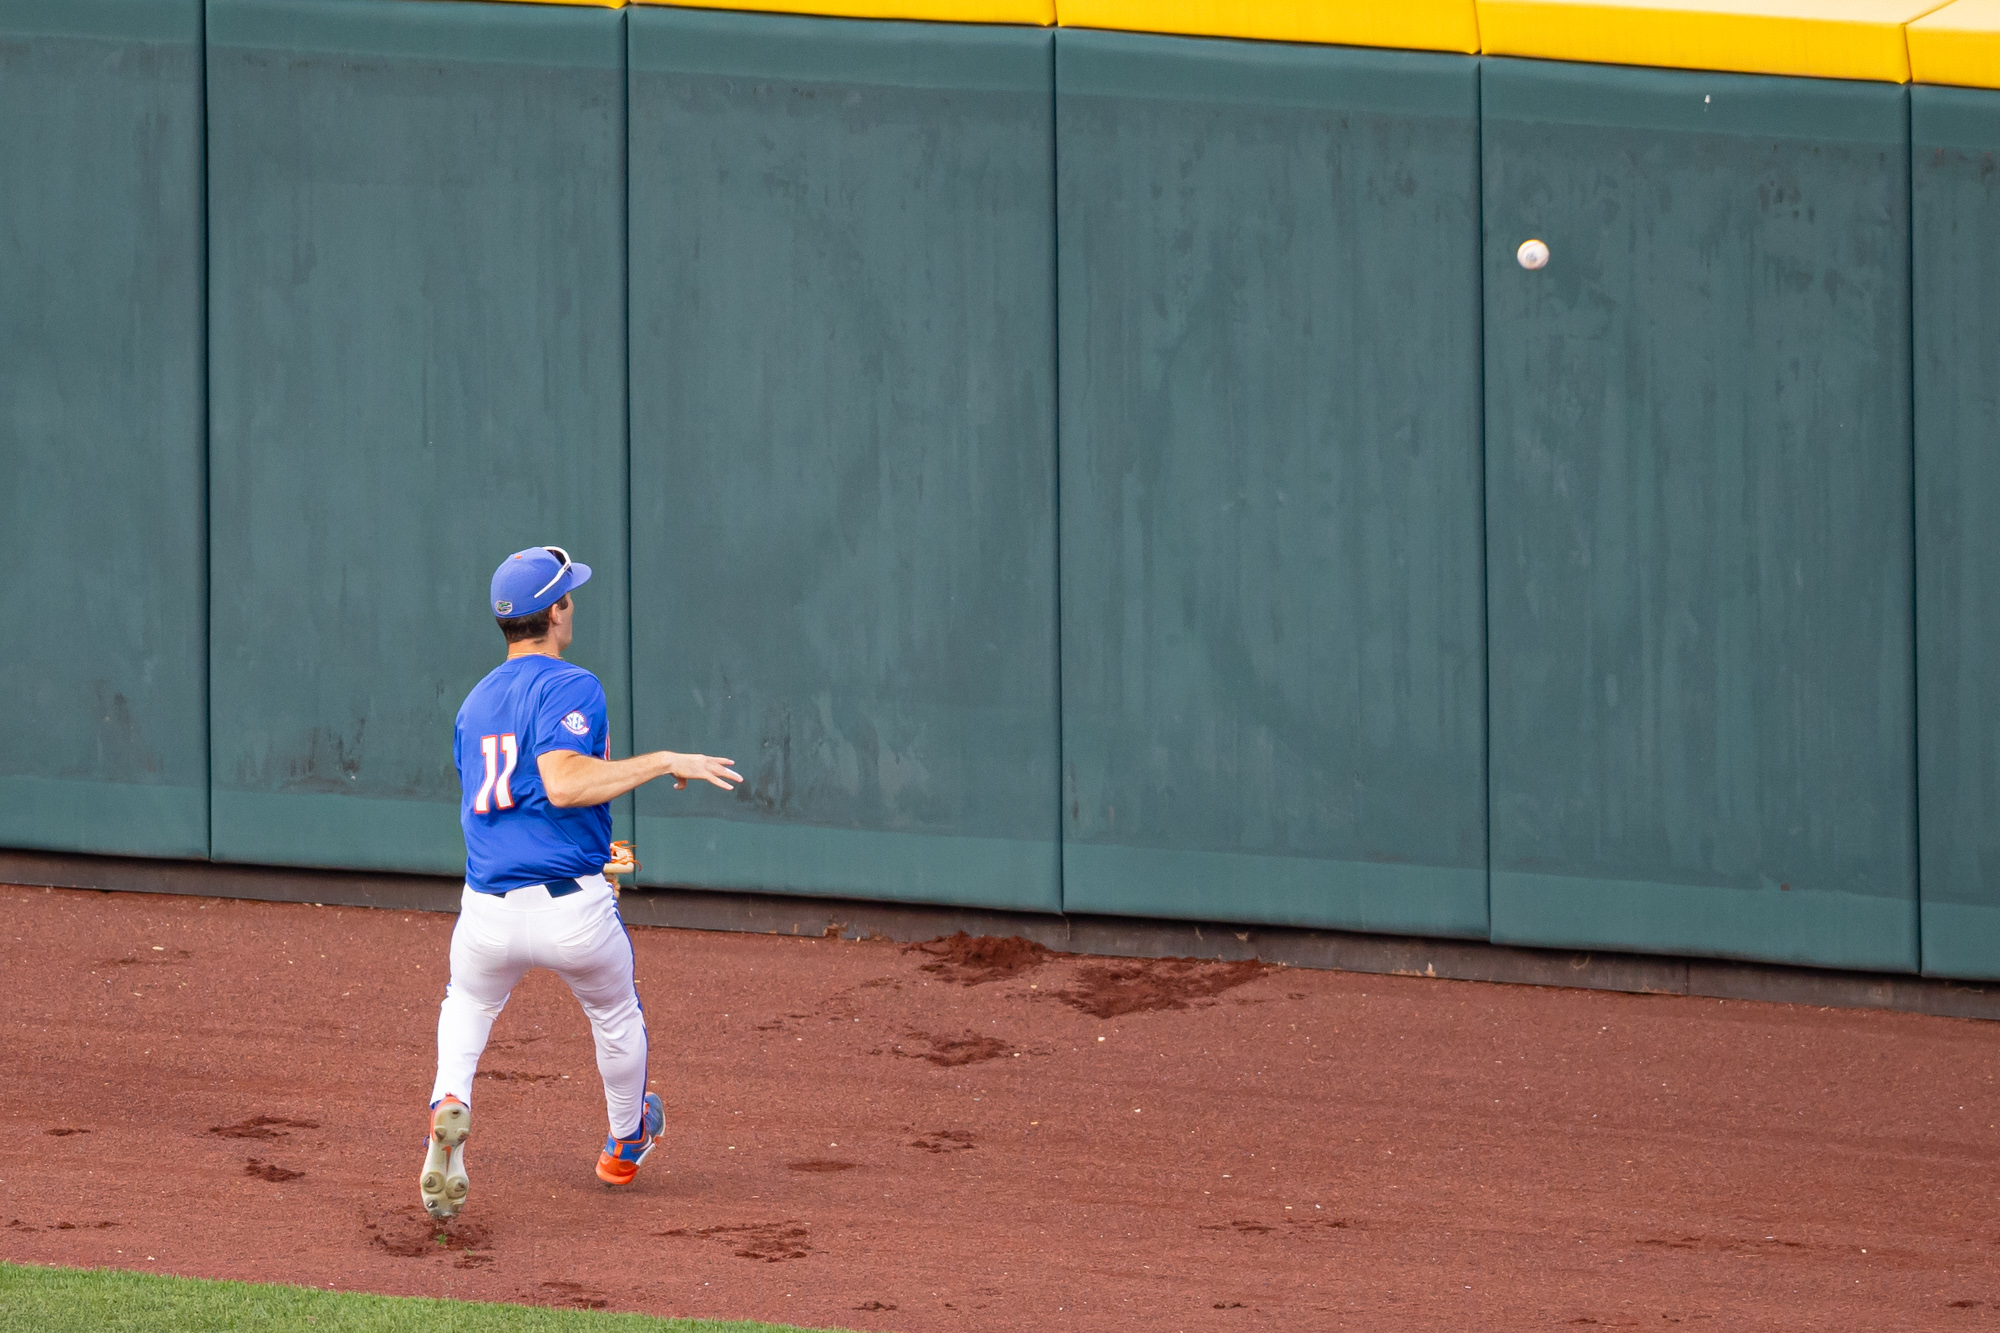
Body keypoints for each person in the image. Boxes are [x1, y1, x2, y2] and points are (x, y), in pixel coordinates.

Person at [420, 545, 740, 1220]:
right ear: (555, 611)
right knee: (615, 1013)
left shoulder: (473, 703)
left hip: (486, 910)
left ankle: (450, 1099)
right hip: (572, 909)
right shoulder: (570, 683)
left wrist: (592, 836)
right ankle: (625, 1143)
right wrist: (660, 761)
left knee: (467, 1007)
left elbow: (508, 801)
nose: (573, 605)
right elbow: (562, 783)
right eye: (569, 596)